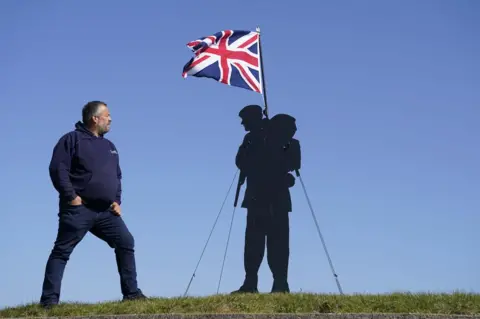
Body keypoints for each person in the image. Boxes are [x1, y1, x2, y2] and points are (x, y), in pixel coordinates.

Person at [39, 101, 146, 308]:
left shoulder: (110, 146)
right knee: (62, 251)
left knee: (126, 242)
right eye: (107, 115)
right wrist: (71, 196)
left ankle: (131, 293)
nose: (110, 119)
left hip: (105, 212)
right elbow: (57, 169)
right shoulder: (71, 140)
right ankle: (49, 302)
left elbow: (117, 176)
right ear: (94, 118)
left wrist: (116, 201)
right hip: (79, 209)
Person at [232, 107, 301, 294]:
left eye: (245, 119)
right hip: (261, 197)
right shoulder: (254, 138)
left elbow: (291, 164)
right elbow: (241, 162)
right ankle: (254, 282)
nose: (243, 123)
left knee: (275, 243)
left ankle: (278, 283)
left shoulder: (274, 139)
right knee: (257, 243)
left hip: (267, 197)